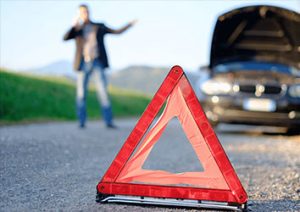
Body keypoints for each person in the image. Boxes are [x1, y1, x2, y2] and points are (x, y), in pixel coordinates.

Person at [63, 4, 136, 129]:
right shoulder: (77, 29)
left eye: (85, 11)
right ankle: (81, 122)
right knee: (81, 94)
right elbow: (65, 38)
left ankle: (108, 122)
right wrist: (73, 26)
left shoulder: (99, 26)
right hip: (82, 63)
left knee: (103, 92)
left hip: (97, 62)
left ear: (89, 12)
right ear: (79, 14)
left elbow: (116, 31)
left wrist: (129, 24)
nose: (84, 14)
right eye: (81, 12)